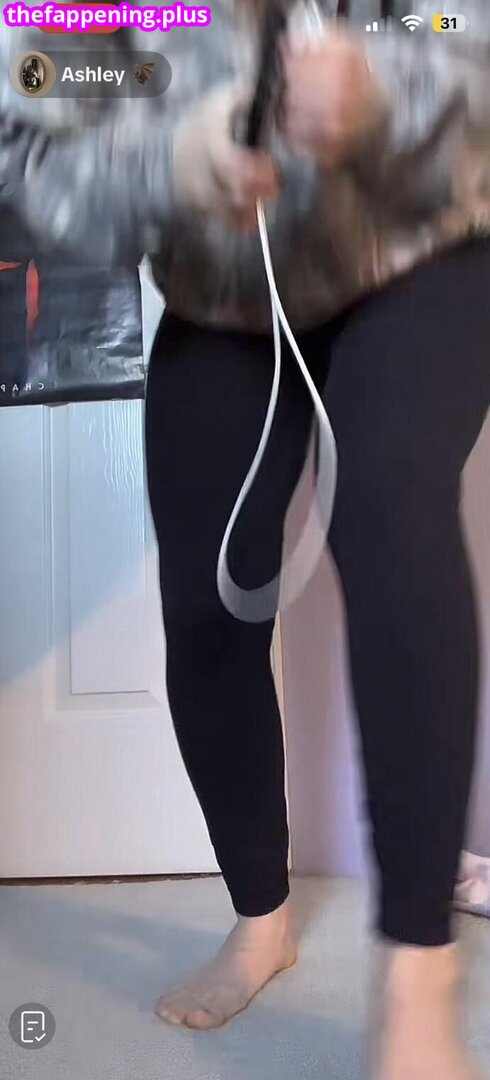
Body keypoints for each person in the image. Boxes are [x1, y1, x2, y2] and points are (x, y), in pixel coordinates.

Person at [1, 1, 489, 1076]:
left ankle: (418, 974)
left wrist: (387, 94)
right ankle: (260, 920)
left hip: (424, 243)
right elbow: (33, 132)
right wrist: (164, 163)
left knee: (391, 509)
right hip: (221, 277)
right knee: (208, 604)